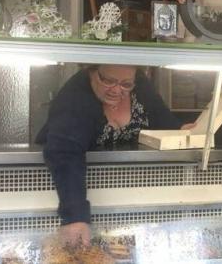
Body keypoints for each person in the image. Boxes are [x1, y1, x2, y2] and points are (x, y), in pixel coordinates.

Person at [36, 64, 193, 245]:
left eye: (126, 84)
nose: (117, 90)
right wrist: (74, 215)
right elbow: (65, 153)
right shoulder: (75, 96)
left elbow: (162, 117)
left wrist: (181, 130)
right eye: (108, 81)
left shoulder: (139, 82)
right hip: (68, 185)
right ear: (92, 71)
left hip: (127, 190)